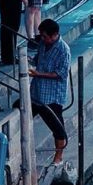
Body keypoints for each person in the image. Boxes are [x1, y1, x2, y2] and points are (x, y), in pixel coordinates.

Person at [28, 18, 71, 164]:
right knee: (18, 111)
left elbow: (61, 74)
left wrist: (38, 74)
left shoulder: (63, 50)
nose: (43, 39)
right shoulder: (42, 43)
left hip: (52, 96)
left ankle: (58, 157)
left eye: (45, 36)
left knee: (58, 129)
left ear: (54, 35)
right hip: (36, 93)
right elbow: (37, 59)